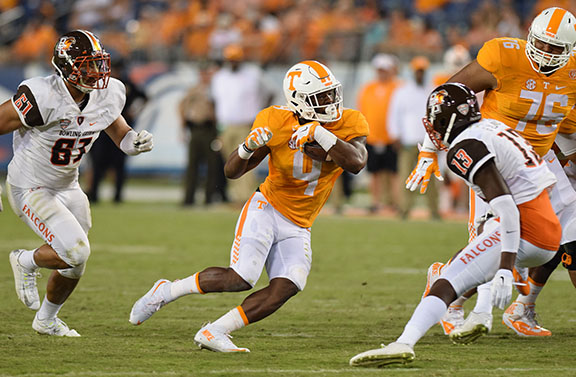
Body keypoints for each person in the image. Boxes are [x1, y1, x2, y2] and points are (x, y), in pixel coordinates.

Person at [129, 60, 369, 352]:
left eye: (332, 93)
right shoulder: (275, 120)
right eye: (322, 97)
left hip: (300, 222)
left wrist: (320, 133)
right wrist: (247, 148)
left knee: (289, 285)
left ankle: (215, 330)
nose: (331, 101)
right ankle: (167, 291)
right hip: (267, 207)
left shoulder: (348, 121)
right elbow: (231, 172)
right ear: (299, 100)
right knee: (241, 277)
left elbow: (356, 162)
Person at [350, 82, 561, 368]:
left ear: (446, 120)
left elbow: (508, 208)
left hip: (526, 229)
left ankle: (404, 342)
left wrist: (505, 266)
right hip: (549, 230)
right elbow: (535, 188)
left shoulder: (466, 147)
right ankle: (474, 313)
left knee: (446, 280)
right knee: (476, 247)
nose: (432, 129)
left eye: (435, 121)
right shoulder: (492, 128)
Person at [405, 6, 576, 338]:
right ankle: (450, 292)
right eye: (541, 44)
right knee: (488, 242)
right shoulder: (503, 55)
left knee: (560, 235)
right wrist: (428, 149)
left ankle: (522, 308)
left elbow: (567, 126)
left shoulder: (572, 75)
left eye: (555, 48)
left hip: (540, 163)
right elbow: (446, 96)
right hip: (493, 157)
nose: (545, 53)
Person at [1, 30, 153, 336]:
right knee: (76, 250)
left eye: (98, 64)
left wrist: (133, 142)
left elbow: (119, 133)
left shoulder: (109, 92)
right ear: (67, 67)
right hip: (30, 186)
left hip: (68, 184)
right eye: (87, 65)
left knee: (74, 261)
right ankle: (25, 260)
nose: (96, 72)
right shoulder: (42, 95)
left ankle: (46, 320)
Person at [211, 44, 274, 205]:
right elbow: (216, 102)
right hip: (225, 126)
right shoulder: (219, 77)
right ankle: (235, 197)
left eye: (236, 60)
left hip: (246, 125)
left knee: (245, 161)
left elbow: (270, 93)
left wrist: (261, 115)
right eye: (231, 60)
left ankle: (245, 198)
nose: (233, 63)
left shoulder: (253, 74)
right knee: (231, 162)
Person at [87, 58, 148, 203]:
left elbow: (144, 98)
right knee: (97, 163)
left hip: (120, 127)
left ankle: (117, 196)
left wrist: (134, 111)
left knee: (118, 165)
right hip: (101, 129)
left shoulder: (126, 85)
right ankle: (94, 193)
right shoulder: (99, 84)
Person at [388, 56, 440, 220]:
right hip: (408, 141)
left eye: (422, 71)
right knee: (406, 176)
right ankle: (404, 209)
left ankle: (434, 210)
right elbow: (393, 114)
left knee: (431, 179)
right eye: (418, 71)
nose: (420, 74)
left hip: (427, 143)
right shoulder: (402, 91)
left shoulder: (432, 90)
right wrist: (395, 135)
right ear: (413, 72)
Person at [357, 53, 403, 214]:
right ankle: (375, 202)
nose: (382, 73)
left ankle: (396, 203)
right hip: (373, 136)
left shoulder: (399, 87)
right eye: (379, 70)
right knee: (374, 172)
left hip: (391, 137)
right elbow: (362, 111)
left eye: (385, 69)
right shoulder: (368, 88)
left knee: (394, 172)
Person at [179, 62, 222, 206]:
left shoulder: (216, 90)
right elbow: (182, 106)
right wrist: (182, 126)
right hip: (196, 129)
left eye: (207, 73)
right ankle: (188, 198)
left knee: (212, 165)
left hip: (210, 129)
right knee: (192, 165)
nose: (204, 76)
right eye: (202, 73)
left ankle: (209, 198)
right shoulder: (194, 90)